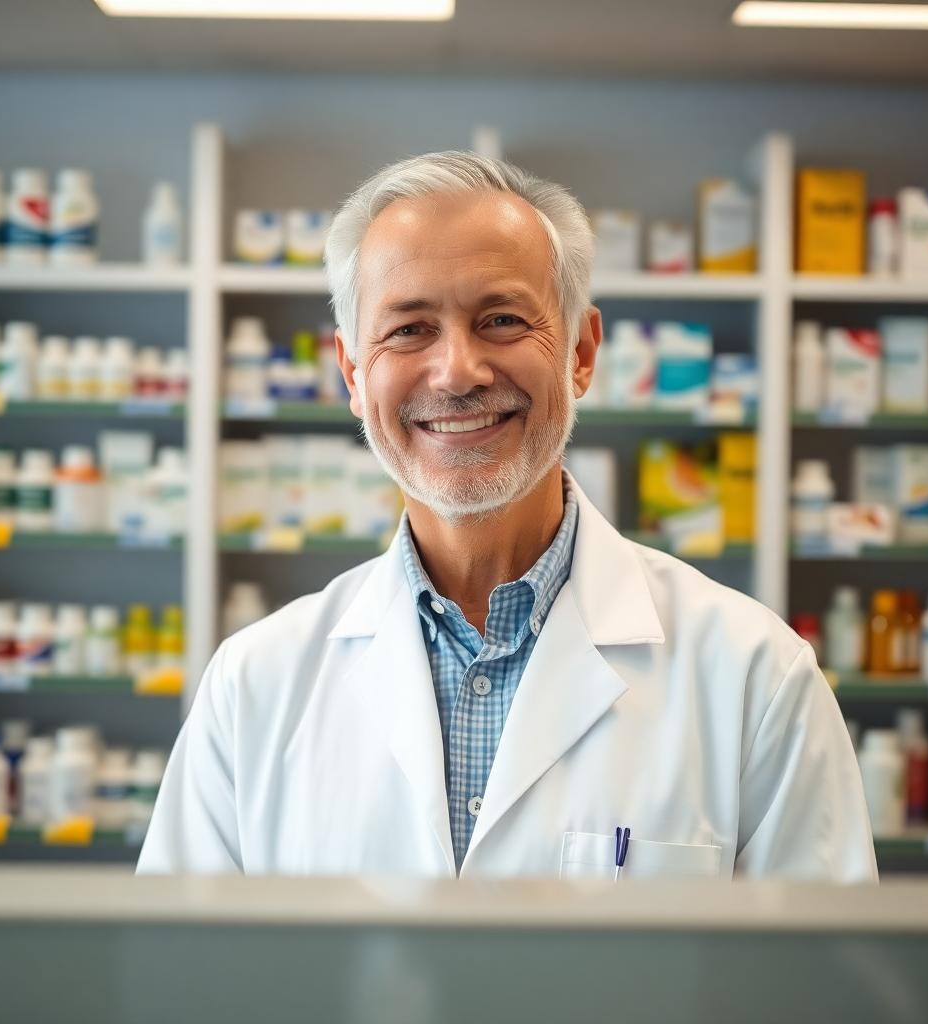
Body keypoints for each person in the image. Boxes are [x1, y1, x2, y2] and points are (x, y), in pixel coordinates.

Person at [138, 152, 876, 881]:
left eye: (500, 319)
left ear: (582, 353)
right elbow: (175, 985)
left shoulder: (756, 678)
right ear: (354, 375)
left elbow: (820, 989)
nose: (458, 371)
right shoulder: (253, 686)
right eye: (408, 329)